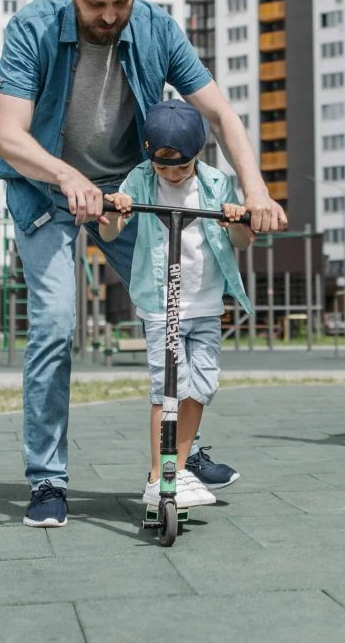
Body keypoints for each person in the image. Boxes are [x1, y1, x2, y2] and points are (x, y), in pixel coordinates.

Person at [0, 0, 287, 528]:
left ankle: (180, 454)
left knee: (186, 308)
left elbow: (221, 114)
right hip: (47, 190)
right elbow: (8, 134)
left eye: (120, 2)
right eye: (95, 4)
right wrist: (69, 176)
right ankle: (48, 478)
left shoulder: (153, 28)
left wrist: (254, 186)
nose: (109, 15)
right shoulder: (33, 28)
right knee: (53, 325)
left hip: (128, 195)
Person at [100, 100, 255, 507]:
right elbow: (113, 233)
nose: (171, 175)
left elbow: (240, 242)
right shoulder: (139, 180)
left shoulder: (217, 185)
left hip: (205, 304)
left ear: (197, 156)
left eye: (180, 168)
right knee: (167, 386)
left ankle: (180, 470)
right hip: (161, 305)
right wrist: (116, 211)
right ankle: (158, 475)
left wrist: (235, 221)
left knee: (201, 386)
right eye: (163, 167)